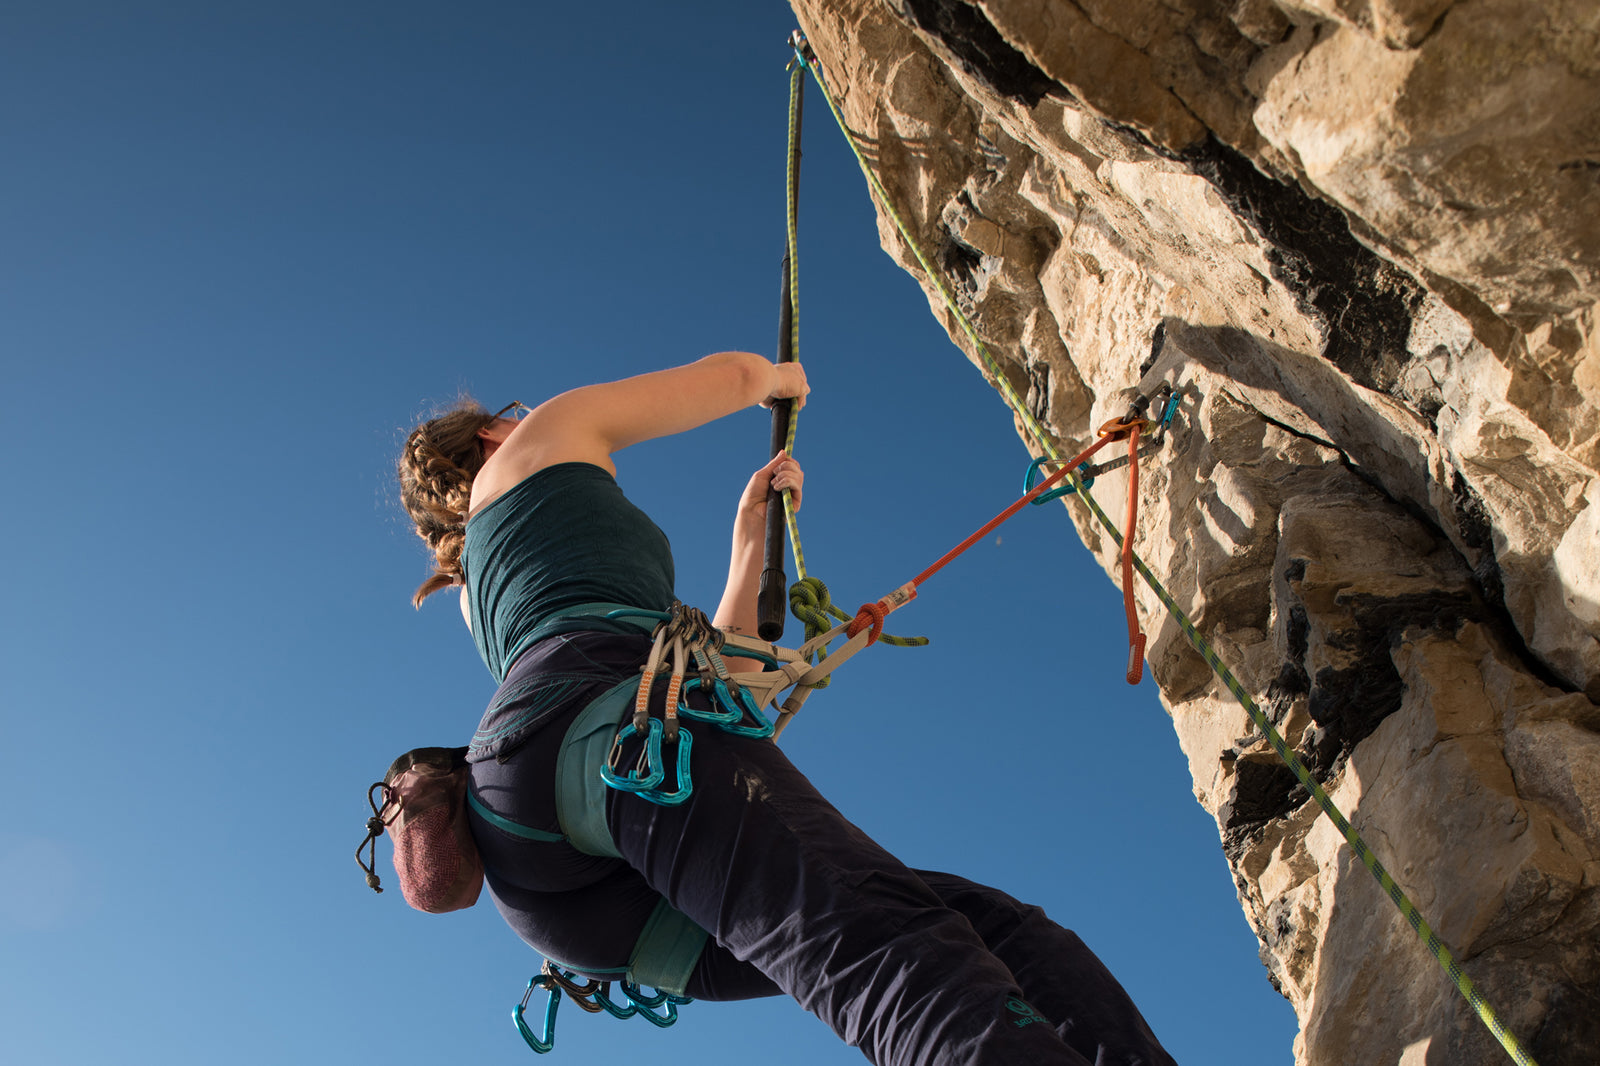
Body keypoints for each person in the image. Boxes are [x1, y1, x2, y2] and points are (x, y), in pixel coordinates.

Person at [397, 351, 1177, 1066]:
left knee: (981, 931)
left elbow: (723, 687)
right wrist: (782, 382)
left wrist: (749, 538)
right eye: (514, 413)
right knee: (896, 955)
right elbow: (737, 377)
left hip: (556, 868)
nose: (526, 416)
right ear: (492, 433)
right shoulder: (542, 438)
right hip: (616, 747)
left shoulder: (479, 595)